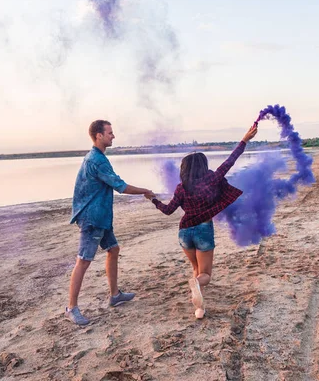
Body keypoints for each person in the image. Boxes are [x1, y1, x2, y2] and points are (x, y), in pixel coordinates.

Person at [147, 125, 258, 318]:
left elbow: (168, 210)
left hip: (184, 233)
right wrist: (245, 140)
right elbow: (230, 161)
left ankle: (199, 307)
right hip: (203, 231)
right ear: (203, 167)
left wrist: (153, 199)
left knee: (196, 269)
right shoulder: (212, 179)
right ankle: (197, 286)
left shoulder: (181, 188)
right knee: (205, 275)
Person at [65, 120, 155, 325]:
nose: (113, 136)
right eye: (110, 133)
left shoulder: (97, 157)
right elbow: (120, 186)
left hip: (102, 216)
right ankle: (71, 308)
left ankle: (115, 295)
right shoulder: (97, 160)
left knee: (113, 249)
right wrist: (145, 191)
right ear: (98, 135)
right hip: (93, 217)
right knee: (83, 260)